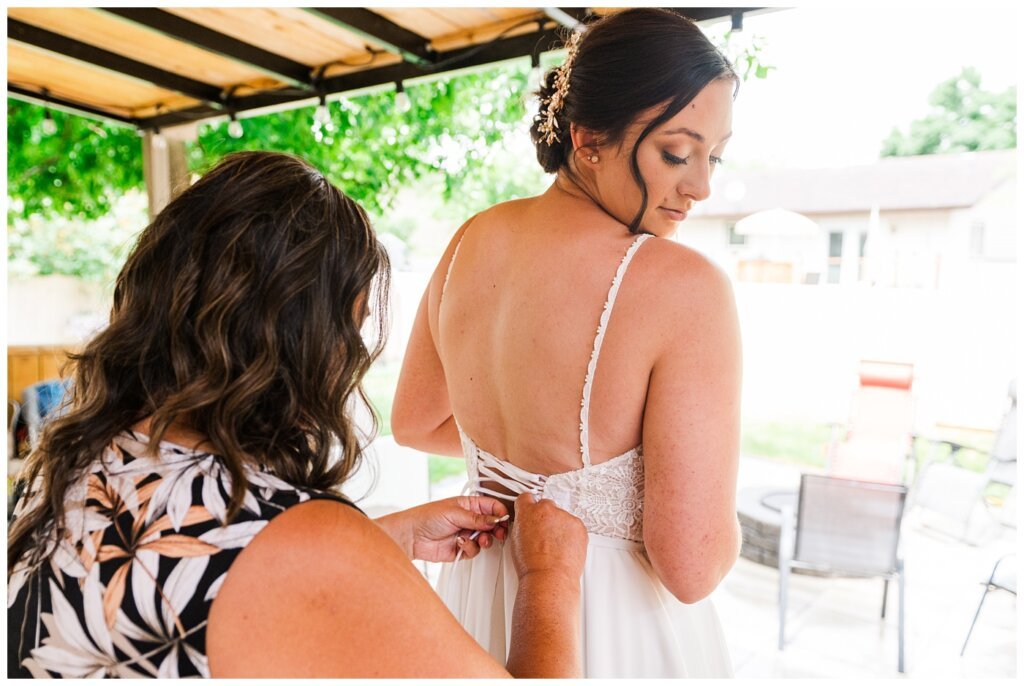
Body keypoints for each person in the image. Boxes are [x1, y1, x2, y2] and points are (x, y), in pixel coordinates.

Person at [6, 151, 590, 678]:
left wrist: (382, 541)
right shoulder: (306, 544)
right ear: (304, 343)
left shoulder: (62, 469)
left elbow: (189, 577)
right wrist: (548, 579)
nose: (356, 356)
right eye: (354, 327)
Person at [392, 8, 742, 678]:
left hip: (478, 594)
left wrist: (529, 465)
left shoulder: (472, 239)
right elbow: (691, 566)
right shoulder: (684, 288)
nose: (701, 186)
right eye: (677, 152)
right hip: (604, 622)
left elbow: (417, 422)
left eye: (714, 155)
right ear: (588, 137)